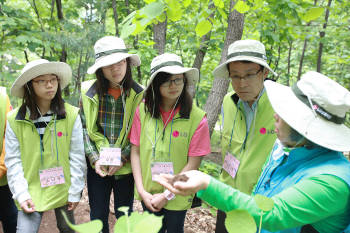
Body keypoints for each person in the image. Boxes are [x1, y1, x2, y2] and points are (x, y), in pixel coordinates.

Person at [156, 71, 350, 233]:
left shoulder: (331, 181)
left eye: (285, 113)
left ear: (304, 128)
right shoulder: (287, 148)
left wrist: (206, 183)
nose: (275, 115)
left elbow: (273, 215)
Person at [129, 53, 211, 233]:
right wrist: (142, 191)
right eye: (167, 81)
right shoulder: (142, 111)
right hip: (149, 193)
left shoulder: (197, 118)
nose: (173, 86)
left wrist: (167, 195)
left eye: (178, 80)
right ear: (156, 84)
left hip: (178, 195)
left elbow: (193, 164)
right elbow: (135, 151)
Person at [5, 59, 86, 233]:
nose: (49, 85)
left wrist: (75, 191)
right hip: (31, 186)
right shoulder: (14, 120)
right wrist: (21, 194)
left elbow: (77, 156)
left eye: (53, 79)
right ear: (29, 85)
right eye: (41, 81)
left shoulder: (71, 115)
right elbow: (13, 161)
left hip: (63, 187)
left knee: (68, 228)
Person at [213, 39, 278, 232]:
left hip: (262, 205)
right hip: (228, 198)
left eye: (249, 75)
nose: (242, 83)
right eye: (235, 76)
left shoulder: (282, 105)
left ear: (264, 72)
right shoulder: (228, 101)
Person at [80, 36, 143, 233]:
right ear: (100, 68)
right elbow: (83, 128)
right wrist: (95, 159)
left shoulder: (139, 94)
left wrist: (123, 157)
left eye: (120, 62)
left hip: (125, 167)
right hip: (98, 165)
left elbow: (140, 133)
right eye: (109, 65)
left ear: (127, 62)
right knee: (98, 214)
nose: (116, 69)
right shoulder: (88, 92)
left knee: (125, 214)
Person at [0, 86, 17, 233]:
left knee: (11, 219)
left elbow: (8, 133)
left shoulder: (2, 96)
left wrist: (1, 167)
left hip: (3, 179)